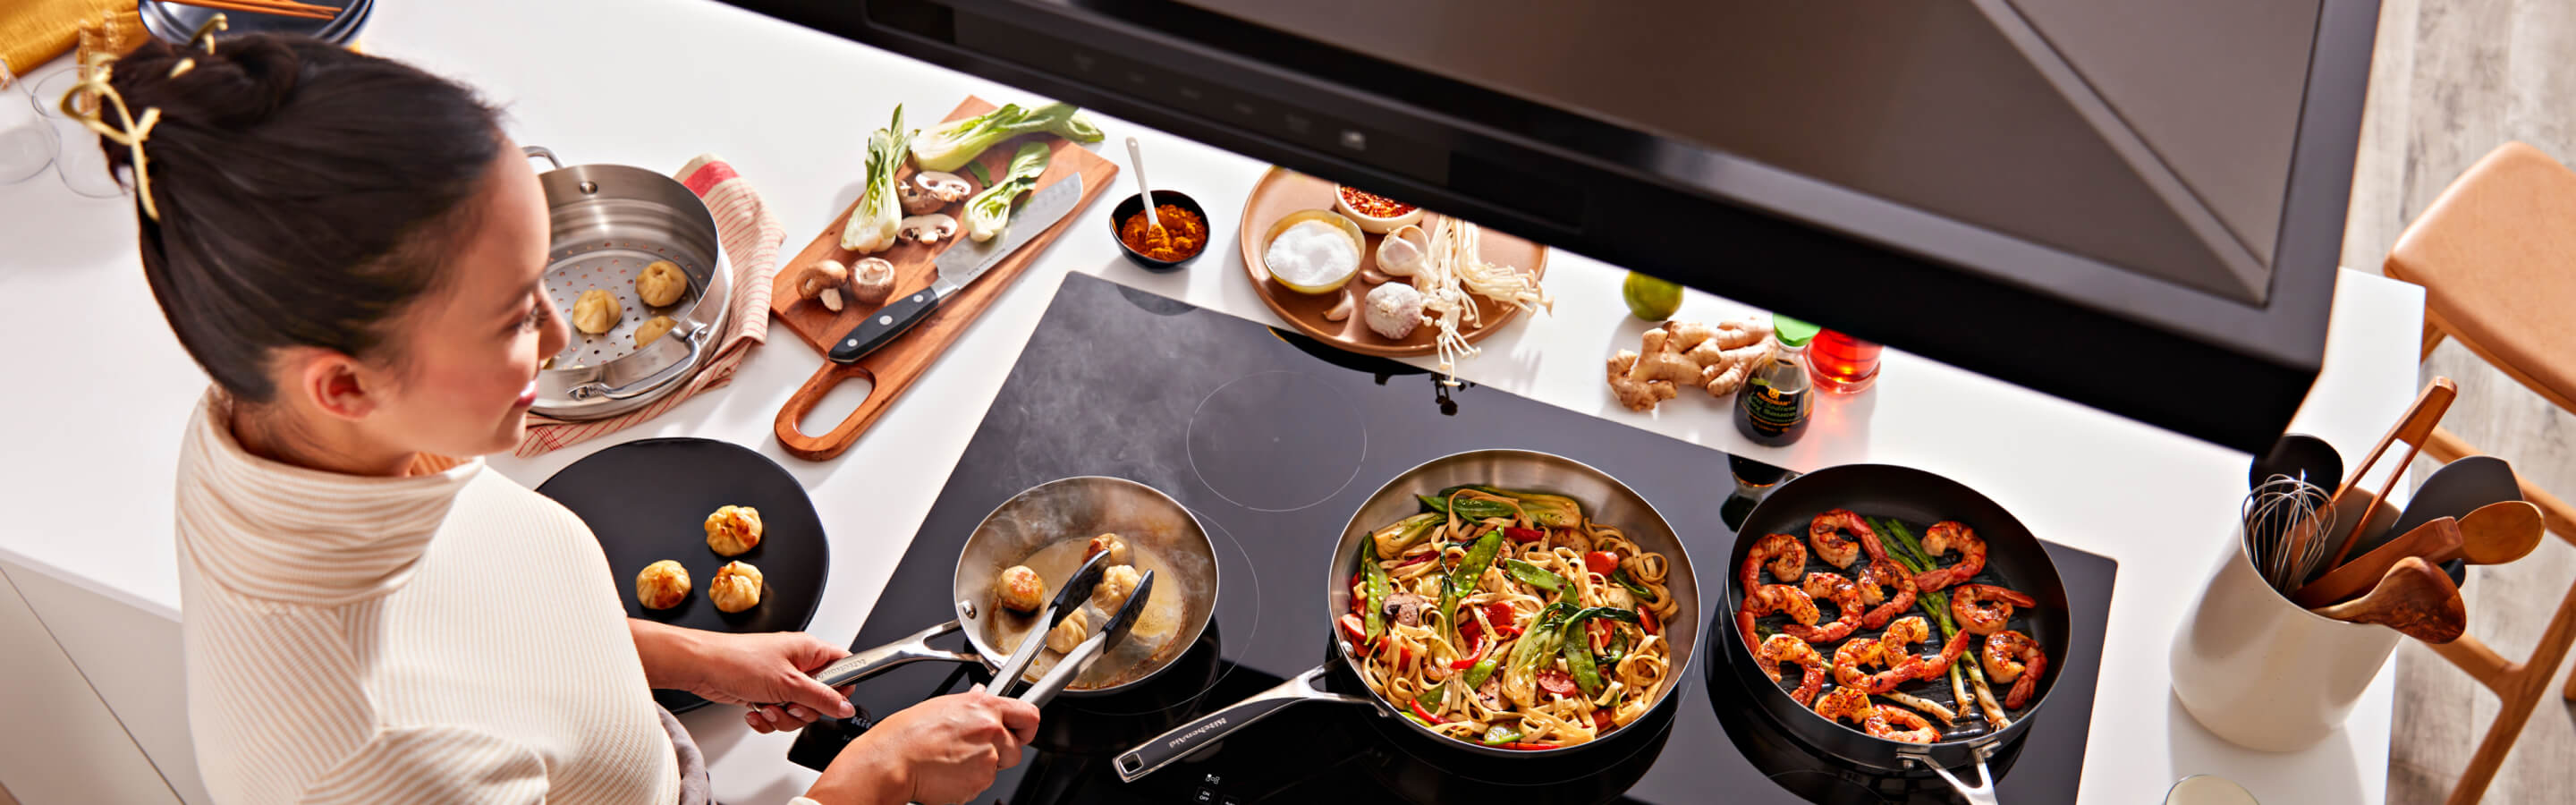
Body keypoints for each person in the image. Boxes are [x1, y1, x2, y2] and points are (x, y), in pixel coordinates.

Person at [80, 30, 1037, 805]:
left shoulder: (282, 427)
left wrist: (697, 657)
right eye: (511, 318)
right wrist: (877, 777)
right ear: (344, 384)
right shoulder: (371, 764)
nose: (556, 334)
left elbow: (481, 637)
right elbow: (434, 705)